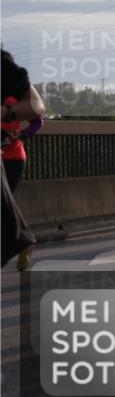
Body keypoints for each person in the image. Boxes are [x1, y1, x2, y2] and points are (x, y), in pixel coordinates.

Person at [1, 48, 45, 268]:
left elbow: (38, 118)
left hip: (13, 155)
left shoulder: (13, 94)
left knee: (6, 200)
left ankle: (19, 238)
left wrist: (21, 133)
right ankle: (20, 238)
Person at [3, 106, 43, 271]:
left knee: (4, 202)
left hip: (13, 159)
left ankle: (23, 242)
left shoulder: (14, 99)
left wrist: (20, 134)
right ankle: (23, 241)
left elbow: (37, 122)